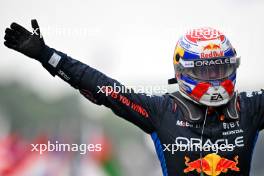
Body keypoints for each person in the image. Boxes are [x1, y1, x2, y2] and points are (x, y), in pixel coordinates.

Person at [4, 19, 264, 176]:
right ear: (182, 71)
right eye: (204, 71)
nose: (213, 79)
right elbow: (104, 88)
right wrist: (47, 55)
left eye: (220, 68)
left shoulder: (250, 107)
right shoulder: (162, 110)